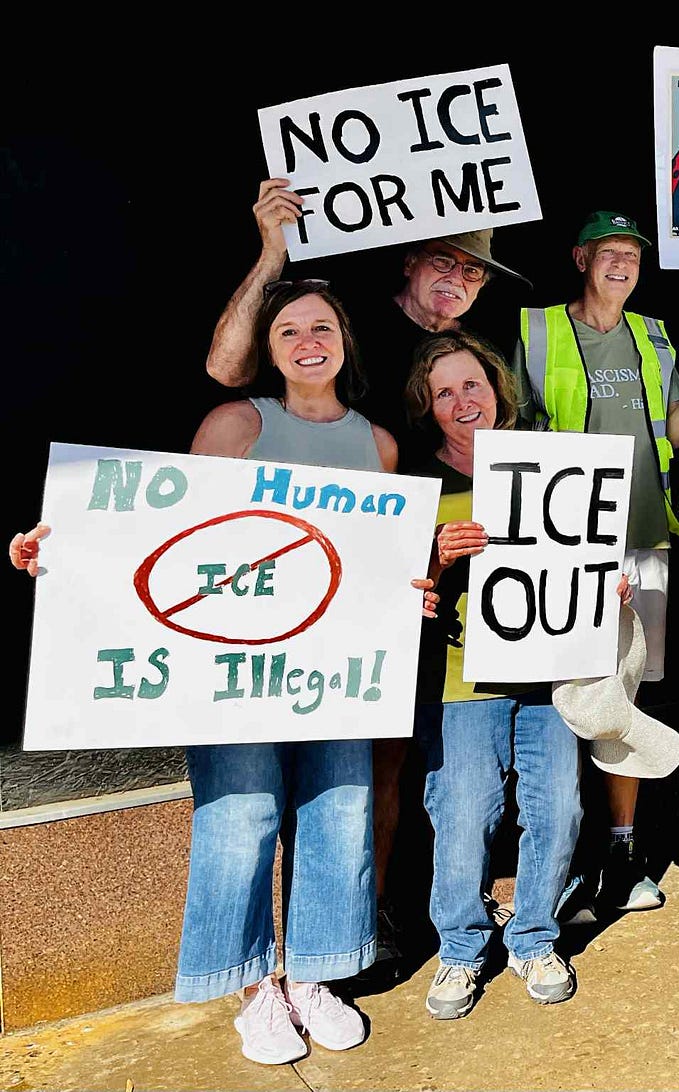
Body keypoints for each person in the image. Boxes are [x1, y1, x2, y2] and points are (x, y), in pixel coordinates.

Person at [11, 283, 431, 1064]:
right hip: (232, 667)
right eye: (289, 331)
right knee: (241, 818)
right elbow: (166, 536)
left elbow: (376, 563)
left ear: (345, 340)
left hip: (332, 669)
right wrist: (66, 555)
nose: (309, 342)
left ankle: (315, 975)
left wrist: (413, 588)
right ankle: (253, 988)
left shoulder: (377, 443)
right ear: (269, 351)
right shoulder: (238, 423)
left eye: (323, 327)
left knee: (339, 810)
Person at [202, 178, 533, 963]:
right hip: (332, 590)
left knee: (414, 761)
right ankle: (354, 924)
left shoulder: (478, 359)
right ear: (410, 260)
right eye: (445, 260)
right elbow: (226, 368)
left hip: (444, 585)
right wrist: (271, 253)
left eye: (474, 270)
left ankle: (369, 919)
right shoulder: (343, 326)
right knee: (355, 767)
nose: (458, 279)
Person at [513, 210, 679, 917]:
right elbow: (507, 432)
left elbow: (674, 429)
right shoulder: (535, 330)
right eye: (608, 252)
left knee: (624, 699)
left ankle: (620, 851)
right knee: (568, 695)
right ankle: (565, 857)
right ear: (580, 259)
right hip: (564, 546)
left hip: (644, 539)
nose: (621, 265)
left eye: (632, 256)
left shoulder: (653, 335)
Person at [402, 331, 626, 1014]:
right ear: (428, 407)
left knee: (559, 809)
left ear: (496, 388)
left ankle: (533, 937)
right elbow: (399, 587)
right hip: (461, 679)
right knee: (464, 814)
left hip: (549, 675)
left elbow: (586, 549)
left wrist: (604, 586)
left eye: (472, 384)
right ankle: (461, 950)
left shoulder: (550, 462)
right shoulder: (419, 482)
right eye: (444, 392)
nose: (462, 401)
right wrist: (436, 558)